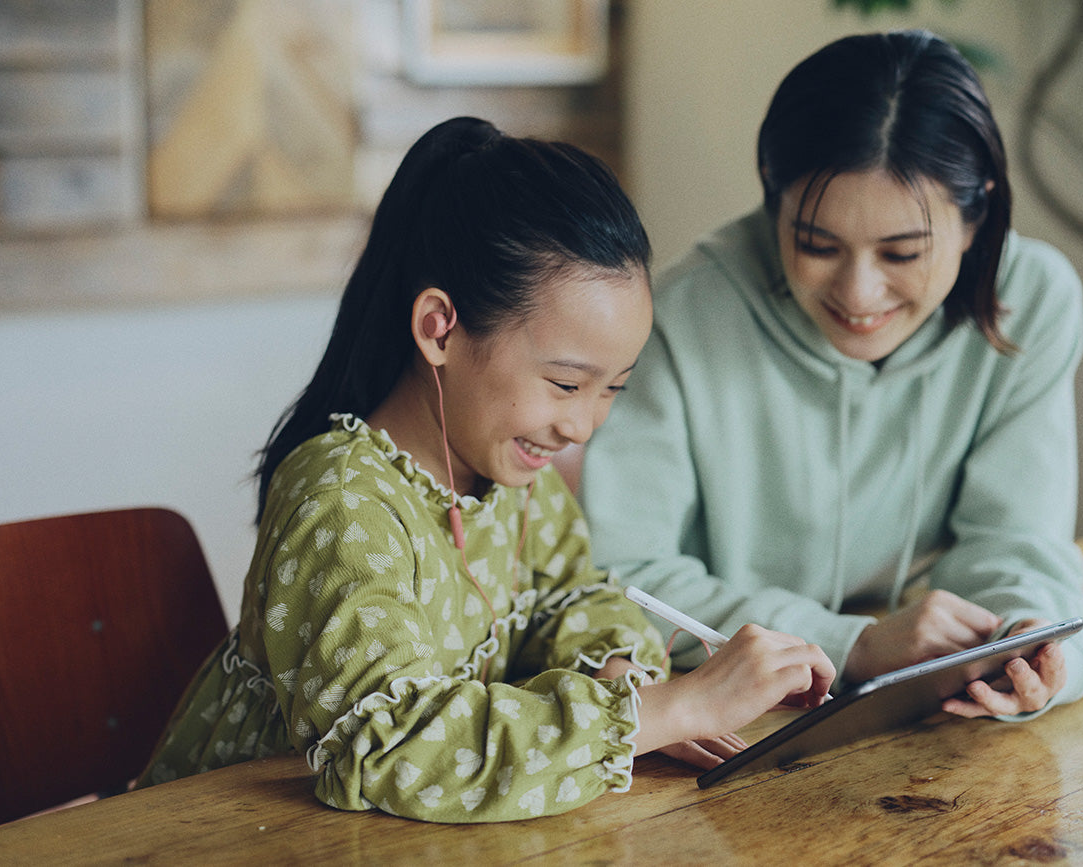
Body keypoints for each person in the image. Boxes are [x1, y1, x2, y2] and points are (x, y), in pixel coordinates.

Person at [137, 117, 834, 823]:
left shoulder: (513, 477)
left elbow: (570, 598)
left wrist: (619, 675)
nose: (582, 426)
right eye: (565, 384)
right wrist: (670, 708)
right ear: (439, 328)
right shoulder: (342, 502)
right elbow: (385, 747)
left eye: (612, 388)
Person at [579, 31, 1083, 720]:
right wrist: (850, 644)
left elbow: (1017, 542)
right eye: (817, 244)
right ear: (774, 196)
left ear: (977, 215)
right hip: (731, 705)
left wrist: (1028, 643)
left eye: (902, 253)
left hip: (928, 706)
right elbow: (623, 575)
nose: (858, 293)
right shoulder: (682, 312)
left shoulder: (1031, 301)